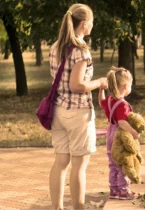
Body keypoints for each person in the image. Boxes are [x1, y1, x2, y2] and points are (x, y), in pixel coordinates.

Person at [48, 3, 108, 210]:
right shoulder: (81, 51)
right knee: (79, 166)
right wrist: (99, 82)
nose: (92, 25)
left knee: (60, 162)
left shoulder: (55, 47)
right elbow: (77, 85)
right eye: (91, 22)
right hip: (78, 113)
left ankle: (56, 208)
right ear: (84, 24)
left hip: (57, 111)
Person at [98, 67, 140, 200]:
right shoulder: (123, 104)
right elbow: (122, 122)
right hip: (119, 135)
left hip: (110, 132)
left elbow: (101, 102)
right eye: (131, 85)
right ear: (126, 86)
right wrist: (133, 132)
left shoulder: (110, 100)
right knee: (123, 162)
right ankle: (123, 191)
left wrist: (101, 91)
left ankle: (114, 189)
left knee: (112, 163)